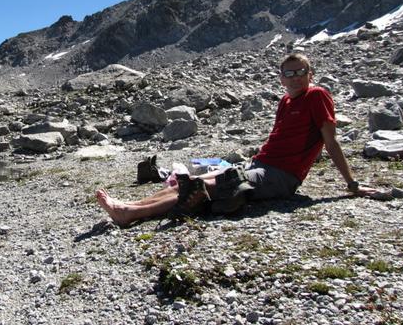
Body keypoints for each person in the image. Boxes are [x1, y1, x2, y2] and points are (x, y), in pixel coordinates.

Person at [97, 53, 380, 227]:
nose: (294, 78)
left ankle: (129, 213)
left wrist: (351, 184)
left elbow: (330, 143)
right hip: (260, 166)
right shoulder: (285, 100)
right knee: (192, 182)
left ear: (310, 74)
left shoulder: (317, 96)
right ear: (281, 78)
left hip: (281, 176)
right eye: (288, 73)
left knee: (202, 185)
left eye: (300, 72)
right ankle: (132, 206)